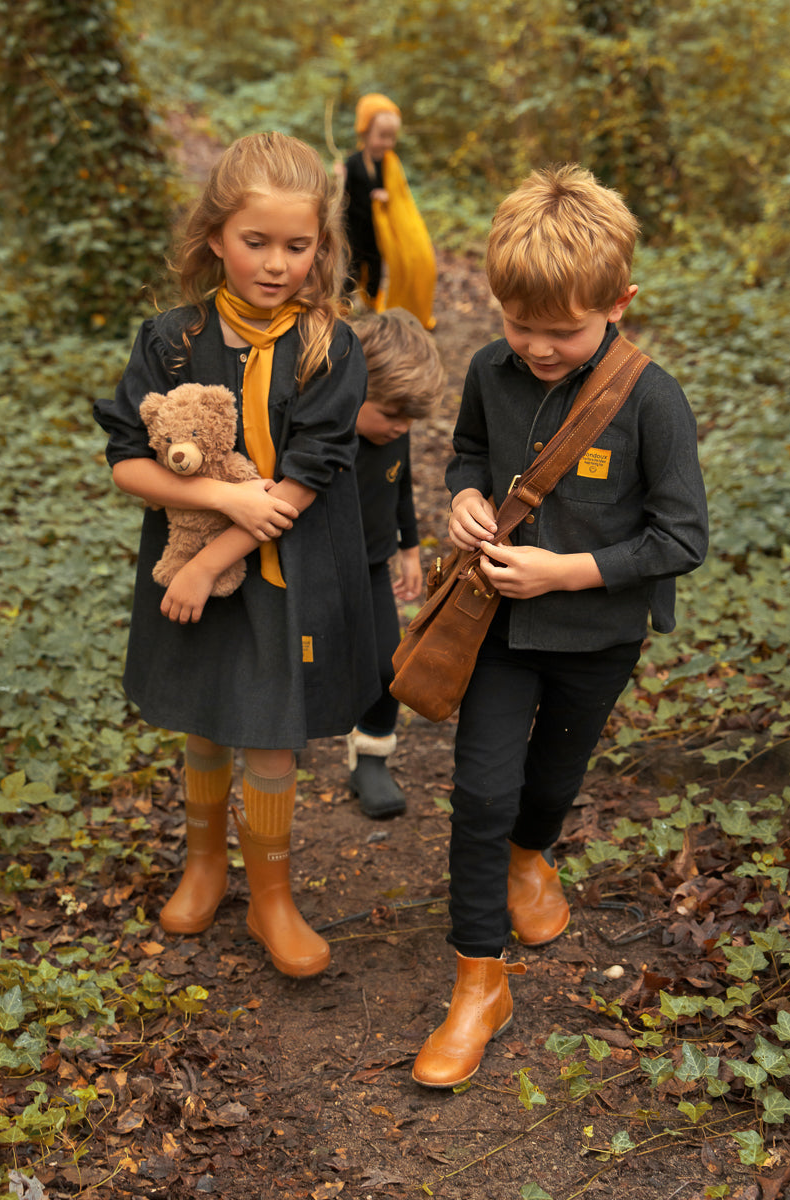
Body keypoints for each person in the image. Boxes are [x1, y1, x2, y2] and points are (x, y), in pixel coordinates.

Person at [412, 164, 709, 1088]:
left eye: (561, 331)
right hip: (497, 627)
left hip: (597, 638)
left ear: (618, 303)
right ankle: (478, 983)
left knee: (546, 788)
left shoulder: (650, 400)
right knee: (480, 794)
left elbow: (681, 537)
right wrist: (463, 496)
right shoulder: (486, 371)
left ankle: (533, 856)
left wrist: (564, 572)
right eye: (517, 325)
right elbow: (467, 450)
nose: (536, 348)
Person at [93, 131, 379, 979]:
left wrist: (212, 558)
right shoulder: (171, 341)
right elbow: (126, 461)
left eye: (297, 246)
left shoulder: (331, 348)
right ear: (216, 235)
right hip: (191, 564)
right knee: (205, 718)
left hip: (276, 578)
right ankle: (205, 865)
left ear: (321, 247)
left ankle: (270, 896)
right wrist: (218, 500)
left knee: (269, 738)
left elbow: (303, 483)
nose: (276, 263)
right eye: (256, 242)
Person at [347, 309, 445, 817]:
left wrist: (409, 548)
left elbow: (400, 482)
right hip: (317, 565)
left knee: (389, 661)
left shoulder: (394, 428)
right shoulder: (325, 431)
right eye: (390, 414)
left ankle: (371, 754)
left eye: (410, 420)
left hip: (371, 561)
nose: (401, 427)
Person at [338, 93, 436, 330]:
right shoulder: (352, 162)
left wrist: (387, 197)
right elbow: (343, 197)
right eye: (382, 136)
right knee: (350, 268)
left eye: (391, 138)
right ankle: (342, 309)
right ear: (364, 132)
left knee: (374, 270)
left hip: (377, 234)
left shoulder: (390, 164)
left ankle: (371, 306)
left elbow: (400, 197)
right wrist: (340, 179)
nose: (387, 143)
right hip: (353, 230)